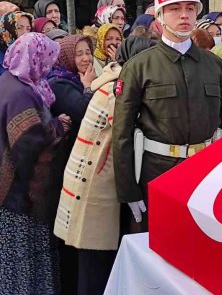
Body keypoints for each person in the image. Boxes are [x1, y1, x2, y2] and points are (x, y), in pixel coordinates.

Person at [113, 0, 222, 231]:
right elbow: (122, 133)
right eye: (174, 8)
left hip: (206, 176)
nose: (184, 15)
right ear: (159, 17)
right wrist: (129, 191)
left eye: (190, 8)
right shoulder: (139, 67)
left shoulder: (215, 65)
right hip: (158, 175)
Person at [53, 35, 153, 295]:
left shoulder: (112, 78)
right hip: (93, 187)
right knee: (95, 267)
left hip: (93, 182)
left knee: (94, 264)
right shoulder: (116, 89)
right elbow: (132, 130)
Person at [0, 33, 67, 294]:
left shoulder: (11, 81)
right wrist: (58, 127)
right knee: (23, 262)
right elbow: (29, 143)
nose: (49, 67)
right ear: (35, 59)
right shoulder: (21, 94)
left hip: (10, 196)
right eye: (46, 59)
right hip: (19, 197)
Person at [0, 11, 33, 75]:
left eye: (28, 29)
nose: (25, 33)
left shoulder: (31, 52)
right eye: (19, 28)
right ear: (8, 29)